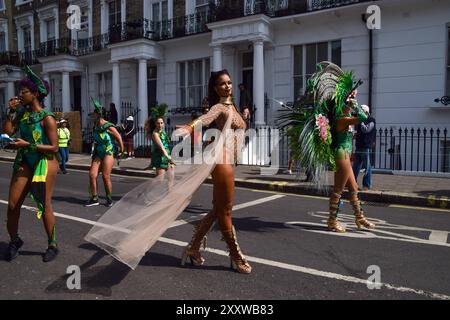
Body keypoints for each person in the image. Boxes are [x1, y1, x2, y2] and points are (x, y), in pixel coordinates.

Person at [178, 70, 252, 274]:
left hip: (229, 161)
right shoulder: (219, 107)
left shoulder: (233, 107)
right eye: (222, 84)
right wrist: (190, 127)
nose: (227, 86)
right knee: (226, 210)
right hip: (222, 160)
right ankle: (236, 256)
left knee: (218, 209)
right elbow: (206, 118)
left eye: (229, 82)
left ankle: (193, 248)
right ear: (215, 88)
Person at [294, 62, 375, 233]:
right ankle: (332, 220)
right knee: (338, 189)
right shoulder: (341, 119)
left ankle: (359, 217)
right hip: (341, 154)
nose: (352, 102)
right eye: (350, 100)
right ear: (344, 103)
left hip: (346, 153)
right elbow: (362, 117)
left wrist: (351, 100)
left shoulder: (345, 117)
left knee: (353, 188)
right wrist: (354, 104)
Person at [3, 66, 60, 262]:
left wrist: (28, 144)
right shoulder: (22, 115)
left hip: (45, 161)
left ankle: (52, 244)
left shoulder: (48, 118)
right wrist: (10, 112)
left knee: (44, 205)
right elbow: (8, 132)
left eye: (24, 91)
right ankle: (14, 240)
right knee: (12, 205)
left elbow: (54, 147)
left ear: (35, 94)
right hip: (24, 160)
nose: (20, 94)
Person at [86, 98, 124, 207]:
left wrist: (122, 150)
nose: (92, 115)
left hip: (108, 151)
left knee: (105, 176)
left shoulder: (108, 126)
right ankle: (94, 198)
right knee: (92, 175)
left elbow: (118, 137)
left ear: (99, 114)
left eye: (94, 113)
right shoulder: (95, 126)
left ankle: (109, 199)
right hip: (98, 152)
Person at [352, 105, 376, 191]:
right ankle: (352, 183)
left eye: (361, 112)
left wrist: (361, 122)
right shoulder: (359, 121)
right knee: (355, 167)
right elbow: (360, 133)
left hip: (366, 147)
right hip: (359, 146)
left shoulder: (371, 120)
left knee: (367, 167)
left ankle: (366, 185)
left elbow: (366, 130)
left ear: (366, 112)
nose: (359, 114)